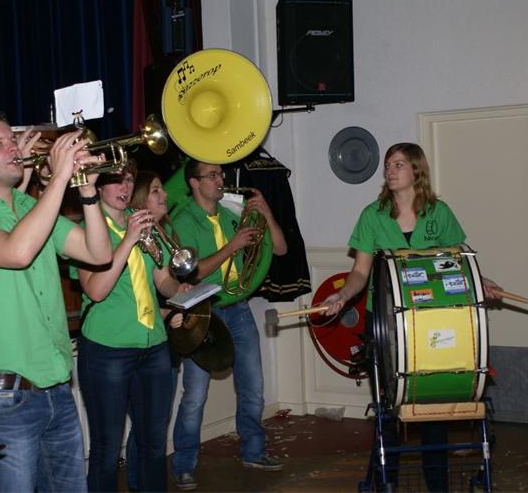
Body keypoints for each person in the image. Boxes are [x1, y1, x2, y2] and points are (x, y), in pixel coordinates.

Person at [0, 108, 111, 492]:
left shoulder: (30, 209)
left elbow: (98, 253)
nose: (14, 149)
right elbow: (17, 252)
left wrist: (87, 191)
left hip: (57, 389)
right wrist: (60, 178)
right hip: (3, 398)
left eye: (12, 140)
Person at [321, 142, 500, 491]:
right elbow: (359, 273)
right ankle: (387, 484)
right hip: (386, 326)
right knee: (389, 413)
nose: (390, 170)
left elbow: (458, 260)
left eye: (398, 164)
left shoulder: (439, 212)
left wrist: (481, 281)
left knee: (433, 410)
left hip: (434, 323)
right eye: (388, 165)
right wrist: (342, 295)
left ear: (416, 170)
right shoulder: (372, 215)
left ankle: (437, 486)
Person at [72, 165, 191, 492]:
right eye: (115, 181)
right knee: (107, 448)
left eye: (127, 180)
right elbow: (96, 290)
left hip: (154, 345)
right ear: (97, 187)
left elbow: (161, 279)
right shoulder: (85, 231)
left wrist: (179, 291)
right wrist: (127, 241)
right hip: (107, 349)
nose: (124, 188)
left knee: (153, 443)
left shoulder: (145, 224)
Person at [170, 159, 288, 491]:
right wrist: (232, 247)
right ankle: (184, 465)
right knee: (195, 395)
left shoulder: (230, 213)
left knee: (253, 386)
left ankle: (254, 452)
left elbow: (280, 248)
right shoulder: (183, 221)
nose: (220, 179)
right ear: (194, 183)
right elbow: (192, 272)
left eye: (220, 174)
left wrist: (267, 213)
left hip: (238, 307)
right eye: (212, 175)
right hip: (203, 312)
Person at [124, 170, 185, 491]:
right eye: (156, 191)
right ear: (139, 199)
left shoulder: (163, 233)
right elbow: (135, 296)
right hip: (143, 335)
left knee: (155, 424)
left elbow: (165, 282)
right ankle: (138, 484)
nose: (164, 195)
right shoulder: (135, 235)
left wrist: (182, 292)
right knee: (147, 425)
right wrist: (167, 310)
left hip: (163, 335)